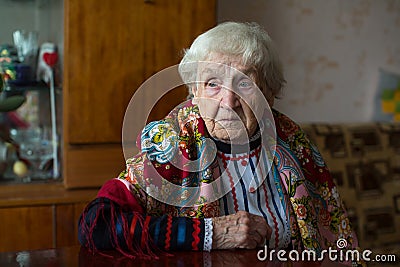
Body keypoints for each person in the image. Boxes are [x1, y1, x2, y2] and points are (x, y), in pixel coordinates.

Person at [78, 22, 361, 264]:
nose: (228, 102)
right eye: (213, 83)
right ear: (194, 93)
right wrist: (211, 233)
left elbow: (337, 243)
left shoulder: (293, 142)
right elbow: (97, 225)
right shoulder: (171, 147)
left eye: (244, 84)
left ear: (270, 93)